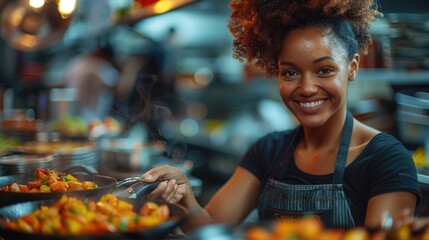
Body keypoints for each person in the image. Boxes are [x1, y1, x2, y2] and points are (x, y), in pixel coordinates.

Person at [141, 0, 422, 231]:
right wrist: (185, 197)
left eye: (324, 70)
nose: (307, 88)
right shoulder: (267, 151)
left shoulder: (386, 160)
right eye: (290, 73)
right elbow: (212, 227)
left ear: (352, 67)